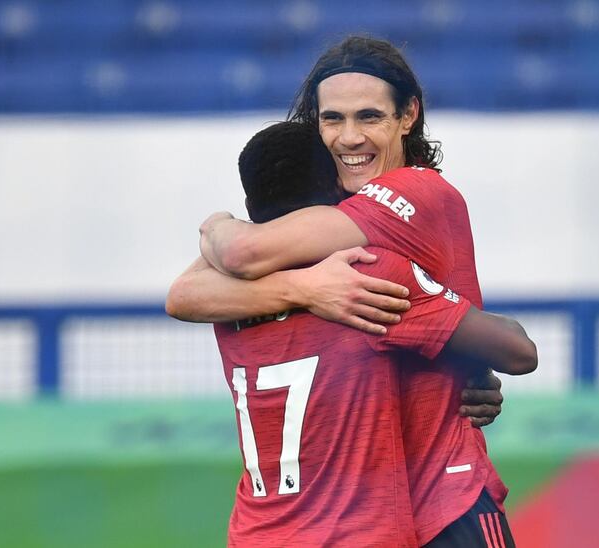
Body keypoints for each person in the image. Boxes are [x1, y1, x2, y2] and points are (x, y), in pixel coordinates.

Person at [191, 36, 523, 547]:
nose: (349, 137)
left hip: (444, 501)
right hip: (370, 516)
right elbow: (184, 294)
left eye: (369, 117)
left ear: (408, 115)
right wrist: (306, 288)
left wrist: (217, 225)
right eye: (332, 119)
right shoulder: (322, 233)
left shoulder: (414, 194)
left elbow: (236, 259)